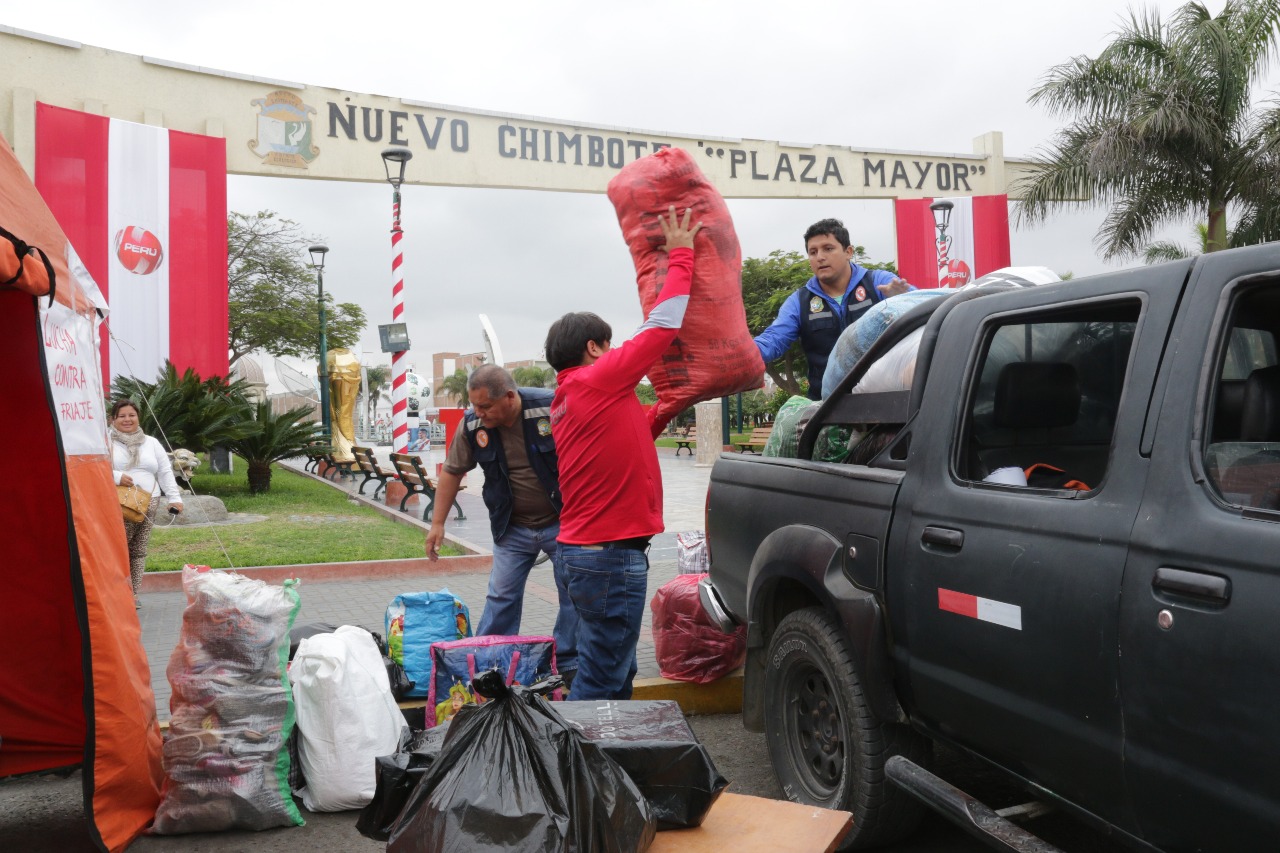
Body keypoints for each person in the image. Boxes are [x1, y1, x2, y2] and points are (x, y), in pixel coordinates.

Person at [544, 205, 702, 701]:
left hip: (587, 555)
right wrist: (682, 254)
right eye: (610, 347)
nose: (616, 355)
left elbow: (625, 435)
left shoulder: (571, 396)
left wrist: (668, 407)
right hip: (608, 556)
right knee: (604, 676)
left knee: (613, 664)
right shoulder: (598, 378)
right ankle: (579, 768)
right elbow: (663, 327)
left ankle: (607, 758)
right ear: (595, 348)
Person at [424, 365, 578, 679]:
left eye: (485, 406)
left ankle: (566, 662)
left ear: (509, 397)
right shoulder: (472, 425)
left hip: (563, 521)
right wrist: (438, 523)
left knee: (574, 593)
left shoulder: (550, 408)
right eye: (474, 405)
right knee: (501, 595)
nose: (478, 413)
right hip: (513, 527)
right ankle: (489, 662)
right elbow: (453, 471)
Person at [754, 218, 914, 400]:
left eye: (828, 249)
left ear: (848, 252)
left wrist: (902, 300)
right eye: (813, 252)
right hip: (825, 406)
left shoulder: (878, 282)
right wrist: (741, 355)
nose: (820, 257)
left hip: (883, 399)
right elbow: (773, 339)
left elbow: (922, 307)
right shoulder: (799, 301)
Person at [109, 399, 183, 607]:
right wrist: (116, 476)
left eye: (131, 415)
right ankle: (117, 592)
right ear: (113, 419)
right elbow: (95, 466)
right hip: (119, 503)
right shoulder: (106, 442)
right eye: (122, 416)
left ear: (138, 417)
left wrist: (174, 498)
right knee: (118, 547)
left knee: (139, 549)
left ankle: (132, 593)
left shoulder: (150, 442)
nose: (127, 419)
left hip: (150, 502)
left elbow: (165, 471)